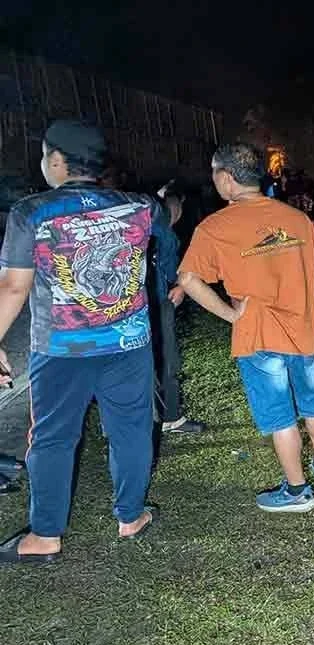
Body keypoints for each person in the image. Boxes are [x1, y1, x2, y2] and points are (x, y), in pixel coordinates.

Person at [0, 120, 159, 563]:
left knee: (52, 437)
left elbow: (13, 287)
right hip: (129, 343)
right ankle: (131, 516)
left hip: (61, 348)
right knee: (130, 430)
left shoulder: (31, 212)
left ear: (56, 160)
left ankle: (46, 536)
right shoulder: (141, 206)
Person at [177, 143, 314, 513]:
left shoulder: (215, 227)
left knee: (280, 413)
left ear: (226, 178)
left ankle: (298, 491)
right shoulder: (298, 219)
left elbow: (188, 278)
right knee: (312, 398)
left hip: (258, 335)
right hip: (303, 329)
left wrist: (230, 315)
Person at [148, 188, 207, 434]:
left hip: (133, 305)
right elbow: (172, 272)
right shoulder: (166, 233)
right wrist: (180, 286)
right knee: (166, 359)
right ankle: (168, 416)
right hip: (158, 303)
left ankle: (157, 417)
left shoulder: (139, 227)